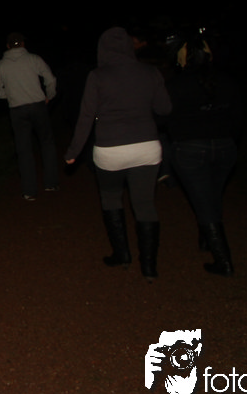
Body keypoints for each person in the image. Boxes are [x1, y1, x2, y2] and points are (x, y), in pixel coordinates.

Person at [64, 27, 173, 279]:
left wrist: (73, 151)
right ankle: (149, 267)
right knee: (145, 204)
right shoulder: (150, 72)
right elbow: (165, 108)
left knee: (111, 198)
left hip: (110, 150)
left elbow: (86, 117)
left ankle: (122, 254)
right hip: (146, 147)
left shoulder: (97, 76)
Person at [165, 33, 241, 275]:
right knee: (212, 195)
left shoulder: (175, 85)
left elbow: (162, 117)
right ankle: (206, 240)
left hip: (190, 149)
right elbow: (238, 117)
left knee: (204, 201)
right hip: (225, 147)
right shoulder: (227, 80)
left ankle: (223, 261)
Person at [0, 32, 59, 200]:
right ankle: (50, 183)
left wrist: (12, 95)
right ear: (22, 44)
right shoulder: (34, 59)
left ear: (8, 46)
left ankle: (29, 191)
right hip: (38, 106)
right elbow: (50, 79)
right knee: (46, 143)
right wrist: (49, 95)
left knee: (24, 149)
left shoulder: (0, 66)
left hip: (17, 110)